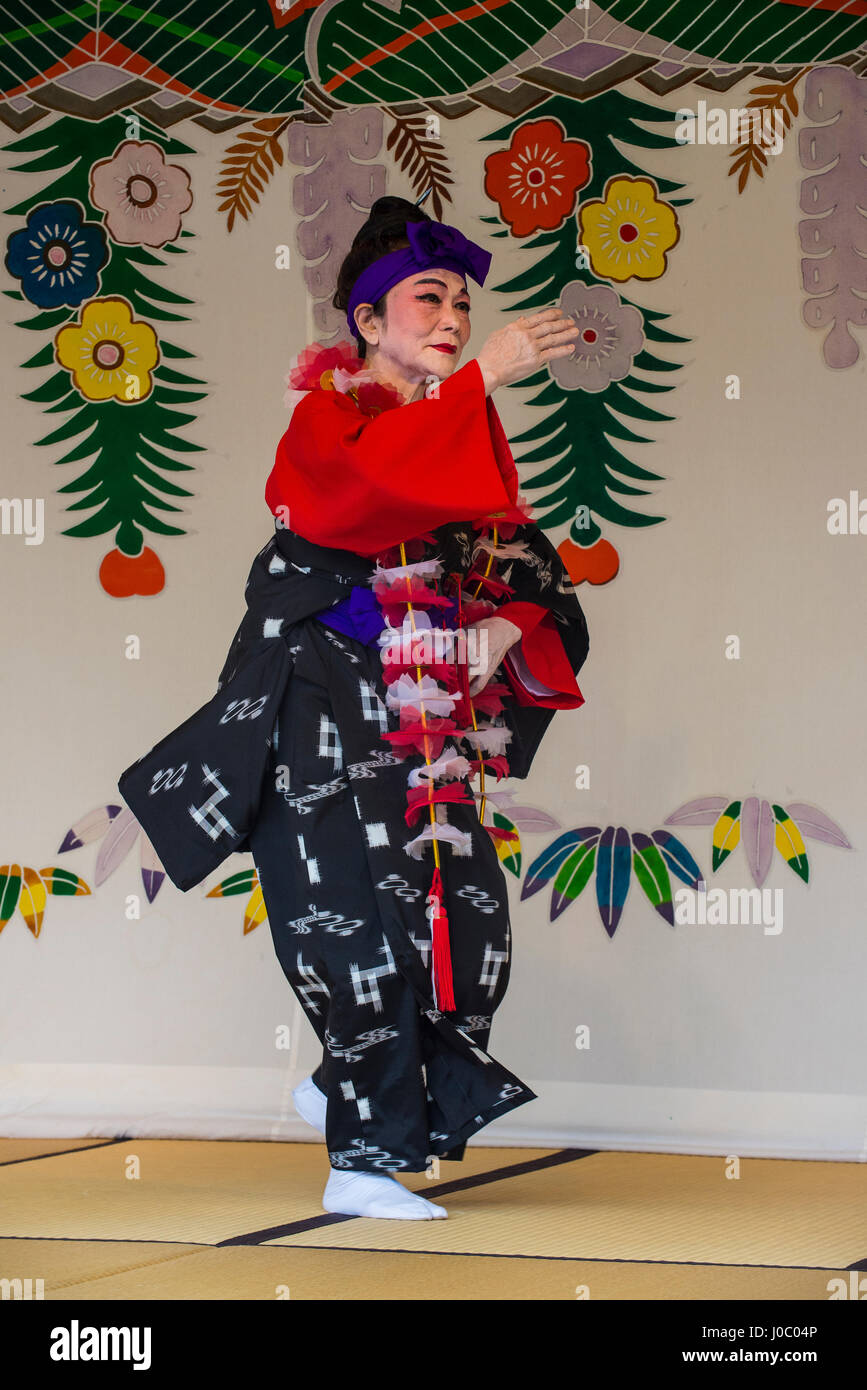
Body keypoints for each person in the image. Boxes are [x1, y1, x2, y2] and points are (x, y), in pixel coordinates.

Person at [118, 196, 589, 1222]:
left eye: (465, 303)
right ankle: (360, 1159)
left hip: (417, 723)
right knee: (358, 923)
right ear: (368, 324)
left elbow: (516, 560)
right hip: (317, 700)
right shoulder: (327, 420)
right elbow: (363, 494)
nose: (455, 317)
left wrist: (505, 626)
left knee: (461, 916)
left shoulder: (457, 433)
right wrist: (488, 373)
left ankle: (343, 1087)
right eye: (431, 298)